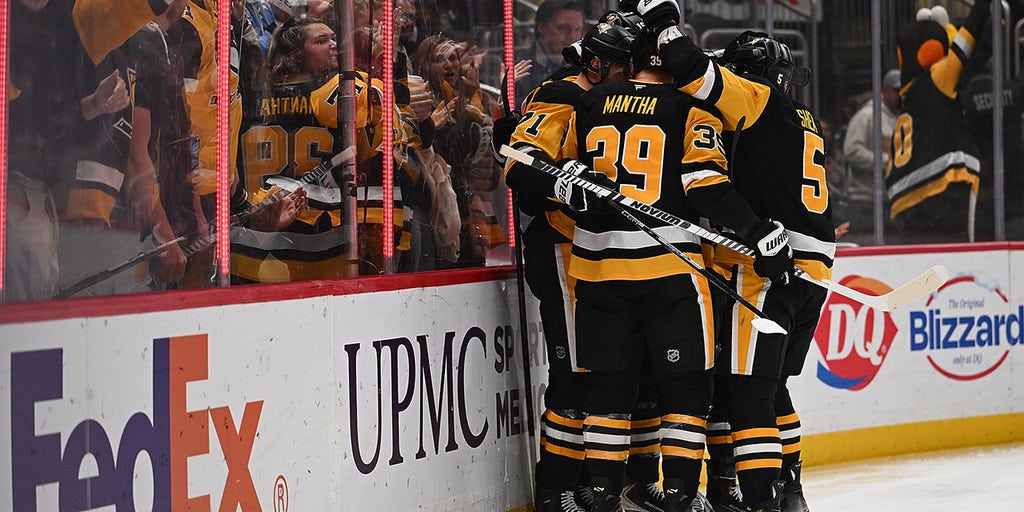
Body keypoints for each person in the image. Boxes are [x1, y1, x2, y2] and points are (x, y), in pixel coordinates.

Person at [563, 25, 796, 512]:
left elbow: (545, 174)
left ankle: (604, 498)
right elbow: (706, 186)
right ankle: (680, 500)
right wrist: (757, 232)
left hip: (596, 273)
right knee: (686, 391)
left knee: (607, 394)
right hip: (669, 271)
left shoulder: (587, 104)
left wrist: (570, 186)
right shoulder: (690, 109)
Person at [636, 1, 837, 510]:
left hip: (769, 269)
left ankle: (762, 501)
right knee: (772, 388)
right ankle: (789, 489)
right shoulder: (801, 117)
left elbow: (691, 69)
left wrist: (660, 21)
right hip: (812, 270)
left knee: (748, 392)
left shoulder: (758, 98)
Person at [503, 18, 636, 512]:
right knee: (574, 376)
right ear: (598, 62)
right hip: (562, 250)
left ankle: (583, 483)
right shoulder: (562, 94)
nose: (633, 75)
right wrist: (566, 183)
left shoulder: (612, 96)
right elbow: (519, 162)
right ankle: (554, 490)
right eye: (625, 64)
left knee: (604, 372)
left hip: (598, 255)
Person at [885, 0, 990, 243]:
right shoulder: (935, 78)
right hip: (941, 186)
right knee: (957, 257)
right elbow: (967, 39)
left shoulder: (906, 96)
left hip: (902, 199)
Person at [840, 69, 900, 244]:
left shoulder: (899, 117)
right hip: (864, 201)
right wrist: (886, 163)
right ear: (885, 91)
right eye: (896, 91)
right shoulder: (867, 115)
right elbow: (851, 151)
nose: (900, 95)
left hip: (888, 200)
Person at [515, 0, 586, 106]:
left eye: (577, 29)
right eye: (562, 28)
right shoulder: (519, 69)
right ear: (541, 27)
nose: (572, 36)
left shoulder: (585, 66)